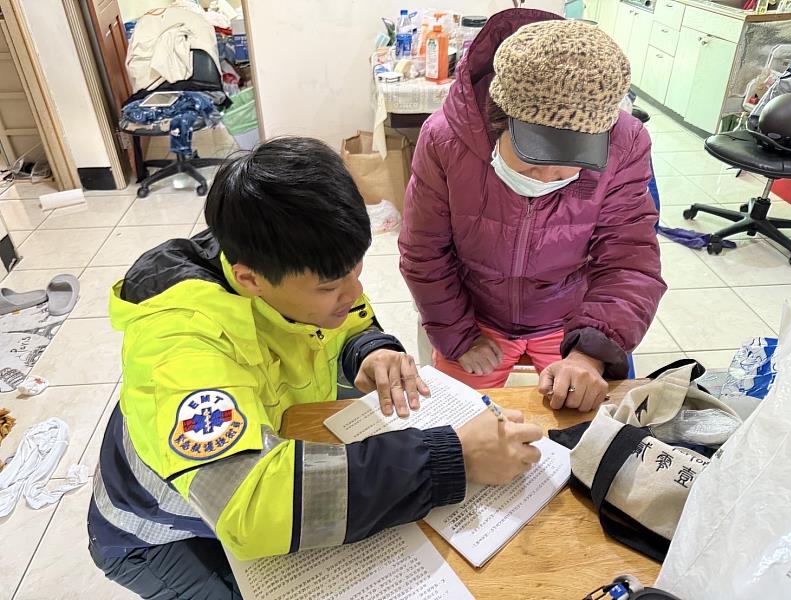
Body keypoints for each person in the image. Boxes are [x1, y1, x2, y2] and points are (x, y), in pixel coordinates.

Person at [87, 137, 544, 599]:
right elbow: (249, 505)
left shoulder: (287, 254)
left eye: (357, 269)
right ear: (249, 279)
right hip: (158, 530)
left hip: (271, 441)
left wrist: (369, 350)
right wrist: (453, 459)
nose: (352, 292)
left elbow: (347, 323)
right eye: (330, 286)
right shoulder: (178, 341)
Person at [399, 12, 666, 411]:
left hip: (571, 318)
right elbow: (424, 252)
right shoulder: (445, 140)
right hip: (473, 314)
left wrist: (588, 351)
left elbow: (629, 262)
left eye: (568, 165)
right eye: (531, 160)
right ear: (498, 121)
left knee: (592, 425)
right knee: (456, 423)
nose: (545, 179)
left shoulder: (624, 145)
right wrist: (460, 336)